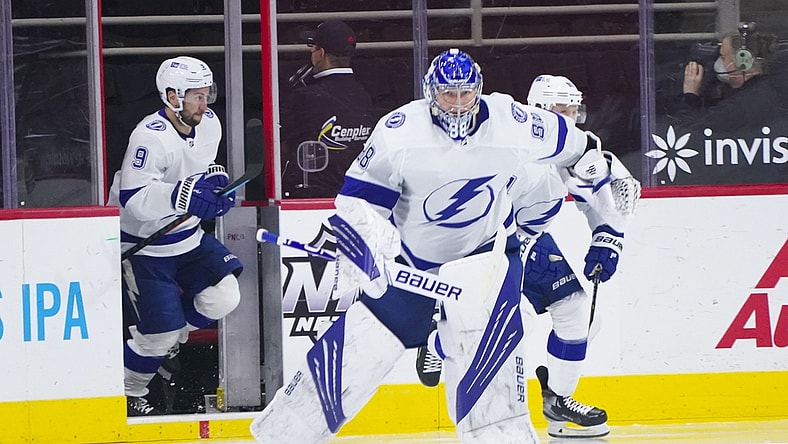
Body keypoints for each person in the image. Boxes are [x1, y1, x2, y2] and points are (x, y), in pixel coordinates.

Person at [250, 49, 610, 443]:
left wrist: (606, 223)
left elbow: (584, 150)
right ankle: (279, 437)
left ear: (479, 91)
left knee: (493, 399)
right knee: (353, 357)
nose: (457, 105)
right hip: (410, 263)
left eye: (465, 94)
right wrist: (370, 243)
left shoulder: (513, 121)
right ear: (430, 93)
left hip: (485, 266)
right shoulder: (400, 131)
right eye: (447, 95)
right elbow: (356, 203)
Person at [415, 74, 641, 438]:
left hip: (533, 242)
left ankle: (559, 406)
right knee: (517, 325)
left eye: (573, 110)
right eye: (561, 111)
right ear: (539, 111)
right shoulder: (509, 144)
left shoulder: (576, 146)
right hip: (491, 249)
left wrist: (607, 237)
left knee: (579, 314)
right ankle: (440, 341)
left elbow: (613, 191)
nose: (569, 119)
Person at [107, 56, 243, 416]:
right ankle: (127, 392)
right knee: (157, 336)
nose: (205, 103)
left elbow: (199, 170)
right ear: (171, 96)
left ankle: (169, 340)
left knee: (223, 297)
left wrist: (215, 188)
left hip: (187, 237)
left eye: (207, 93)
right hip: (144, 246)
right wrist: (183, 195)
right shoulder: (148, 137)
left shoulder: (210, 124)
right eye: (196, 96)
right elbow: (133, 200)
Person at [280, 20, 377, 199]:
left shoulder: (303, 97)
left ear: (321, 53)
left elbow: (282, 147)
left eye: (313, 47)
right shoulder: (366, 95)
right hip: (356, 195)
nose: (311, 51)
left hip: (311, 198)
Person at [672, 22, 780, 133]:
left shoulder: (737, 106)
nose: (719, 62)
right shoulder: (767, 89)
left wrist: (690, 95)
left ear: (742, 61)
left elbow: (688, 136)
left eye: (723, 57)